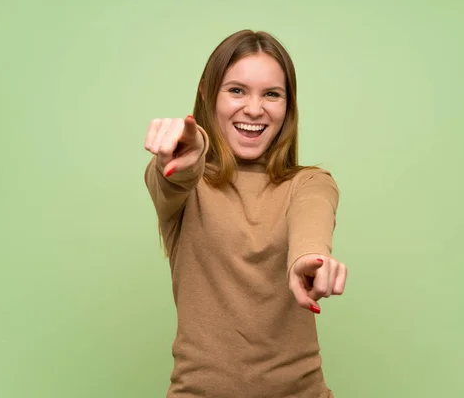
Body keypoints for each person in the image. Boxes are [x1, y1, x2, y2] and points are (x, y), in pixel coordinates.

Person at [144, 29, 347, 398]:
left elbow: (311, 217)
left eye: (272, 94)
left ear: (288, 105)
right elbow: (175, 178)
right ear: (207, 93)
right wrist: (194, 150)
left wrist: (309, 257)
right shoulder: (184, 182)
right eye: (236, 90)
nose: (254, 109)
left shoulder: (310, 183)